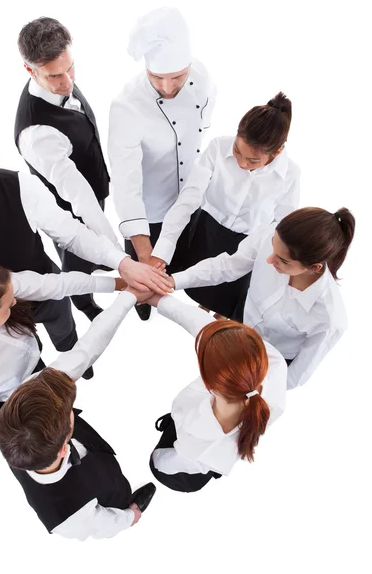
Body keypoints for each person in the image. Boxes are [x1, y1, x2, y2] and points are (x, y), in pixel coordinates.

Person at [0, 123, 172, 379]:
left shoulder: (23, 186)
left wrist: (121, 262)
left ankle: (73, 357)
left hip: (51, 292)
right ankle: (39, 369)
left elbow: (72, 234)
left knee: (65, 331)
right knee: (24, 358)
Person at [0, 288, 157, 540]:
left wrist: (129, 294)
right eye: (69, 411)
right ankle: (128, 501)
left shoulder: (23, 424)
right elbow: (103, 525)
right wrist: (129, 516)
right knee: (118, 493)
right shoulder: (66, 519)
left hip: (88, 454)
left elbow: (88, 346)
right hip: (104, 495)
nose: (71, 409)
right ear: (62, 448)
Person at [108, 7, 216, 320]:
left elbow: (203, 129)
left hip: (188, 199)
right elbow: (126, 184)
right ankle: (144, 306)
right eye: (157, 77)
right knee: (144, 283)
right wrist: (144, 254)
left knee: (185, 259)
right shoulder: (127, 106)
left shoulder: (203, 80)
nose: (168, 87)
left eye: (177, 77)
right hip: (147, 211)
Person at [170, 207, 355, 389]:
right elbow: (227, 266)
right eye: (273, 246)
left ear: (314, 267)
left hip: (268, 362)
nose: (269, 260)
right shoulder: (271, 235)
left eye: (283, 260)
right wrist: (173, 281)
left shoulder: (330, 319)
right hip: (241, 320)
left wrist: (256, 390)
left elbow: (294, 377)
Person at [153, 92, 300, 319]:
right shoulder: (217, 148)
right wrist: (162, 250)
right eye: (237, 151)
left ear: (276, 152)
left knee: (226, 297)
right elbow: (188, 199)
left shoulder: (290, 175)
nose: (241, 163)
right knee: (198, 278)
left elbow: (281, 226)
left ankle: (218, 311)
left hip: (246, 243)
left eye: (253, 161)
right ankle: (203, 301)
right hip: (207, 229)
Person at [15, 17, 120, 321]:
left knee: (97, 234)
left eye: (70, 67)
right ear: (29, 70)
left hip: (91, 189)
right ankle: (84, 303)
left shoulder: (61, 77)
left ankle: (100, 261)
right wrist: (117, 255)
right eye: (55, 76)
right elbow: (77, 194)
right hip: (67, 210)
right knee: (76, 263)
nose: (68, 81)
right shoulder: (36, 134)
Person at [0, 260, 125, 431]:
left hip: (32, 359)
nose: (15, 302)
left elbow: (57, 284)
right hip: (23, 402)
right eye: (8, 306)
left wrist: (118, 284)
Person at [144, 293, 287, 492]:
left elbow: (166, 463)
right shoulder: (273, 364)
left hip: (181, 467)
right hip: (200, 457)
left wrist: (155, 460)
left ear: (209, 382)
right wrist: (159, 300)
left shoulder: (196, 440)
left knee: (161, 466)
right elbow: (207, 329)